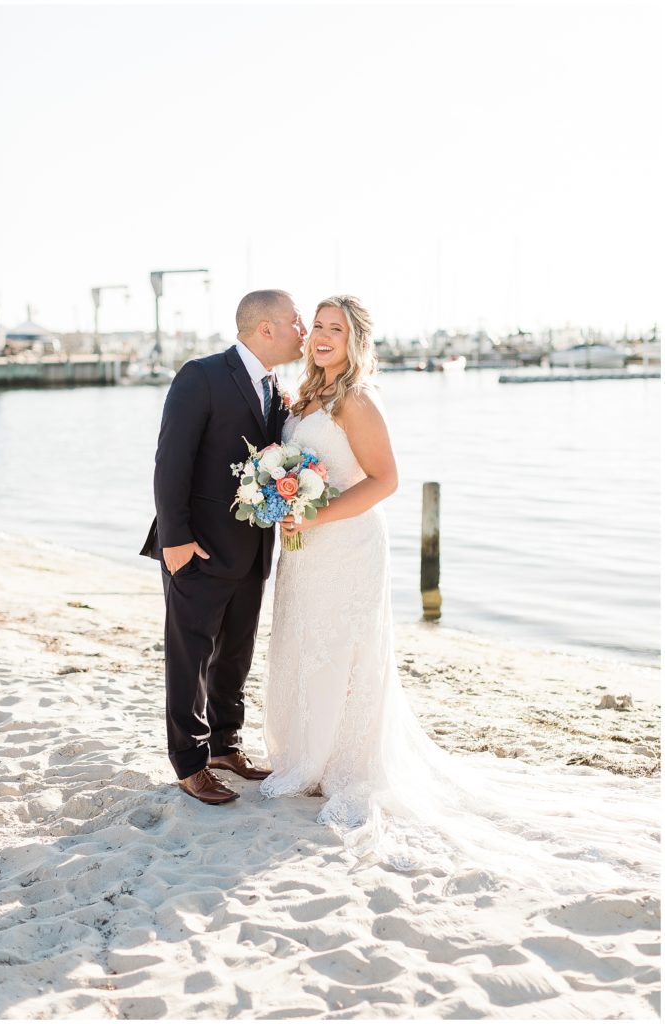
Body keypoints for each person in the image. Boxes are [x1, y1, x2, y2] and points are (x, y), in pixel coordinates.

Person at [260, 295, 658, 891]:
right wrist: (287, 500)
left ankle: (338, 763)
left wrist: (313, 517)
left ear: (355, 340)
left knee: (343, 647)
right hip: (307, 544)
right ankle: (303, 756)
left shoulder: (358, 399)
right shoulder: (304, 395)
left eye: (334, 329)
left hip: (346, 543)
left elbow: (386, 480)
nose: (320, 336)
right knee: (302, 639)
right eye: (316, 326)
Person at [141, 290, 306, 805]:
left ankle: (224, 746)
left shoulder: (278, 390)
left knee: (235, 653)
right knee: (189, 657)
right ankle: (189, 763)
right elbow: (171, 461)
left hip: (252, 550)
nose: (303, 329)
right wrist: (177, 541)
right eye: (296, 321)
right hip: (197, 549)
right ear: (265, 329)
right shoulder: (202, 375)